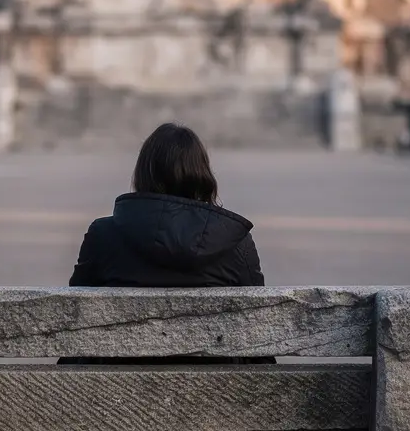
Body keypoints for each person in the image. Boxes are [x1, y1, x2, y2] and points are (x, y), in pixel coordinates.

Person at [59, 122, 275, 366]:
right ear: (202, 174)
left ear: (143, 172)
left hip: (116, 391)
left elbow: (74, 316)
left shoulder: (103, 234)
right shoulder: (235, 240)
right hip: (215, 392)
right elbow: (258, 325)